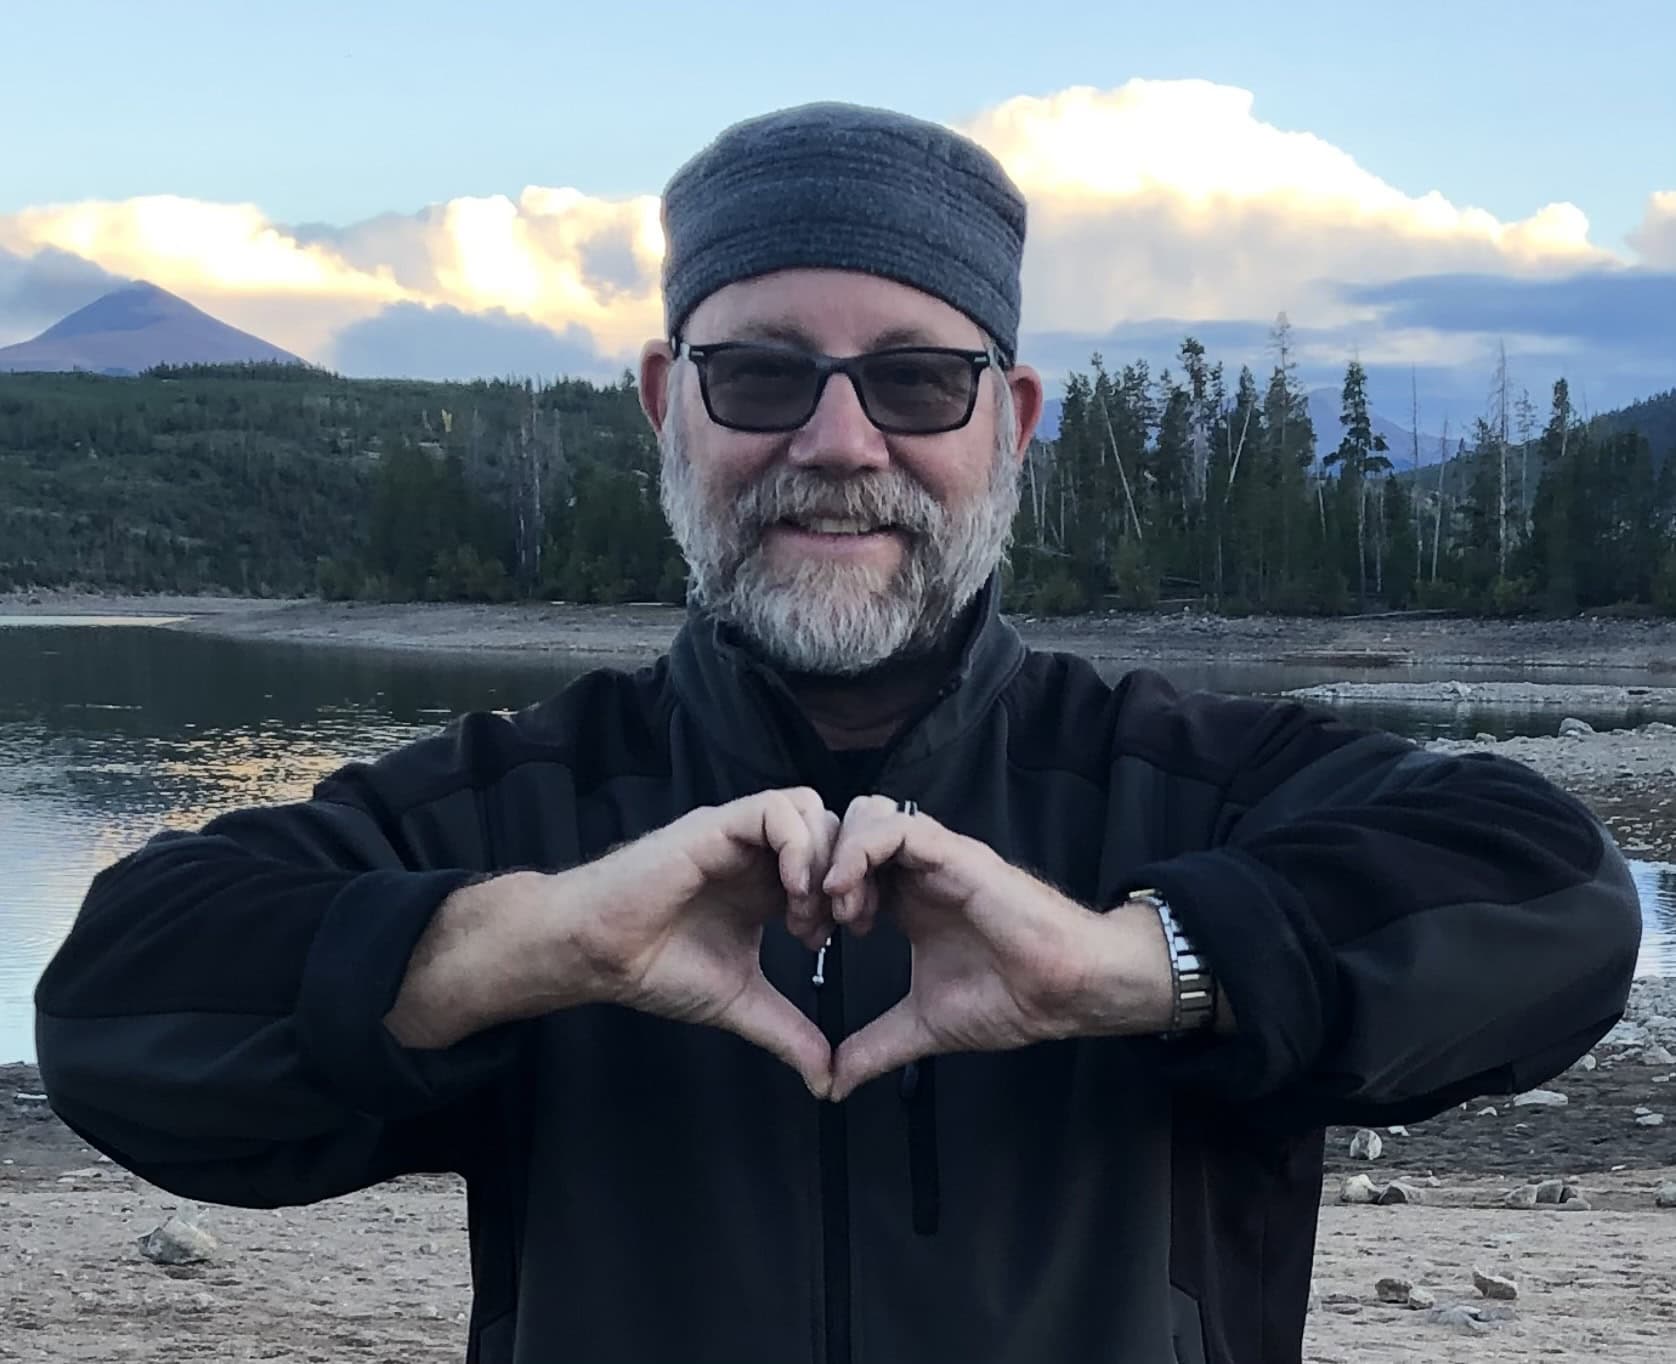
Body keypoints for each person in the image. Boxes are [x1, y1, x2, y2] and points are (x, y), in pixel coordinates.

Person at [36, 102, 1640, 1364]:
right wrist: (521, 949)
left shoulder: (1187, 784)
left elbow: (1554, 899)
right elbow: (120, 1012)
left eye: (918, 382)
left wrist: (1137, 967)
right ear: (667, 402)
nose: (838, 441)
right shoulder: (521, 805)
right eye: (760, 376)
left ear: (1007, 423)